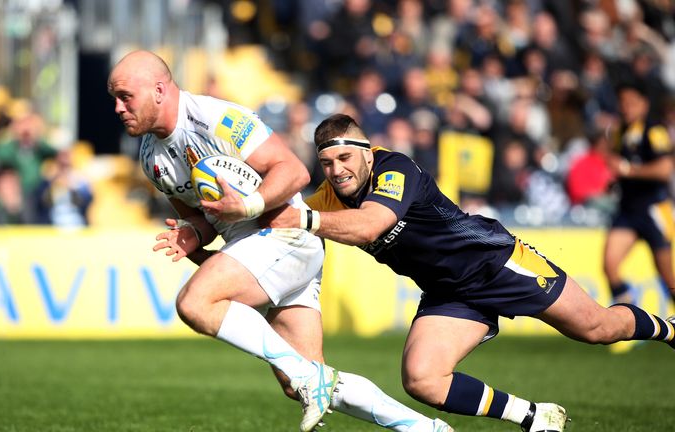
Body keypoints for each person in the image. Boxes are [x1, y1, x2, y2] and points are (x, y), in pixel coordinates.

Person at [107, 50, 453, 432]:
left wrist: (249, 206)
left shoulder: (216, 118)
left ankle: (309, 378)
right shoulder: (151, 159)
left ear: (159, 89)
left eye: (126, 96)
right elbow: (203, 215)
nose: (119, 108)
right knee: (299, 380)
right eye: (115, 99)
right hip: (255, 250)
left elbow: (292, 170)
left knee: (195, 302)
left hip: (284, 236)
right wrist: (192, 235)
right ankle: (425, 429)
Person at [262, 113, 675, 431]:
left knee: (597, 328)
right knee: (422, 379)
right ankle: (535, 417)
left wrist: (303, 220)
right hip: (447, 291)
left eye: (345, 158)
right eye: (327, 162)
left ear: (368, 152)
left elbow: (370, 225)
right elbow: (282, 219)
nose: (336, 170)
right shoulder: (327, 198)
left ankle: (668, 328)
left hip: (496, 263)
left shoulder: (396, 169)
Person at [604, 81, 675, 310]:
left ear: (644, 104)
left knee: (668, 277)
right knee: (610, 265)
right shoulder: (618, 132)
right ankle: (627, 321)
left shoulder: (654, 130)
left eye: (631, 103)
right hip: (628, 210)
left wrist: (628, 171)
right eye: (622, 103)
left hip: (654, 209)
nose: (625, 108)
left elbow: (665, 169)